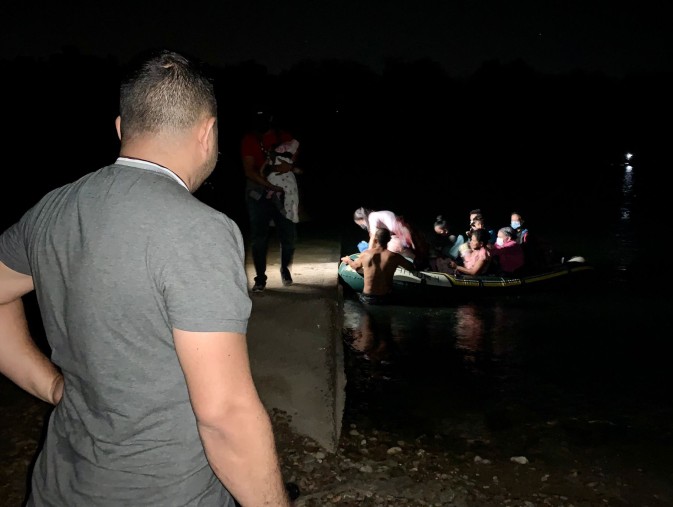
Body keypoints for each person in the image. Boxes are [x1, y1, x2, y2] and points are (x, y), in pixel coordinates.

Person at [0, 50, 291, 506]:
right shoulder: (200, 230)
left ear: (121, 128)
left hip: (58, 488)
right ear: (208, 133)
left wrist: (50, 384)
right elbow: (224, 416)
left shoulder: (52, 208)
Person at [241, 112, 301, 291]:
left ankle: (285, 269)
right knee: (259, 238)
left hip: (283, 193)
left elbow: (294, 158)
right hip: (258, 193)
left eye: (263, 116)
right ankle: (260, 278)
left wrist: (289, 166)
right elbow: (249, 171)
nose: (260, 120)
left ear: (271, 118)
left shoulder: (284, 136)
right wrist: (269, 185)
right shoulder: (249, 139)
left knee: (289, 236)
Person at [340, 228, 417, 305]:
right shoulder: (395, 257)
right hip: (385, 297)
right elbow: (411, 267)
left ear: (375, 240)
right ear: (389, 240)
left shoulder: (366, 254)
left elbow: (356, 267)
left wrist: (348, 260)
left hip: (368, 297)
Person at [352, 207, 417, 262]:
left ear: (362, 219)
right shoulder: (378, 215)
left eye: (361, 224)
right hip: (405, 236)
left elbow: (373, 237)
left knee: (384, 252)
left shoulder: (372, 217)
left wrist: (368, 253)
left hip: (401, 239)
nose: (363, 226)